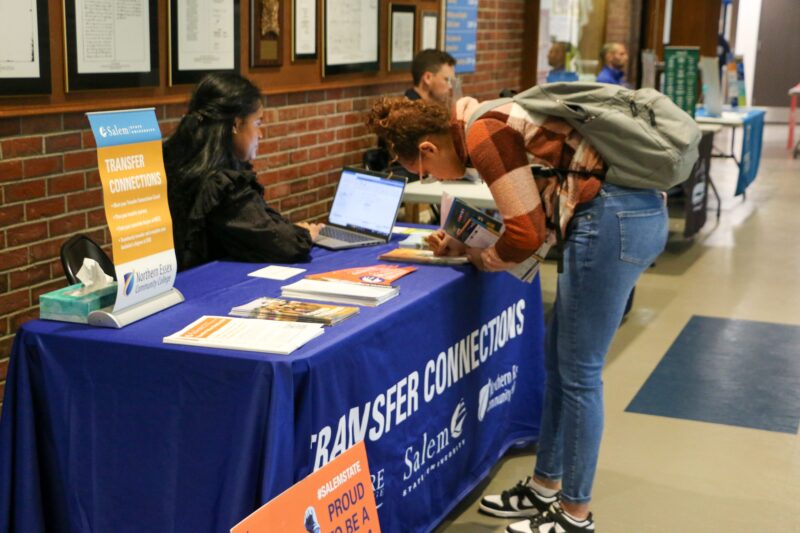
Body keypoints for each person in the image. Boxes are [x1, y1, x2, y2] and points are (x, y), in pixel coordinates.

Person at [366, 96, 667, 532]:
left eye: (425, 172)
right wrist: (469, 244)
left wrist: (478, 257)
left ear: (428, 149)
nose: (432, 180)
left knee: (580, 374)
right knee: (560, 362)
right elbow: (532, 215)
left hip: (613, 221)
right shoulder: (480, 122)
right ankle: (545, 486)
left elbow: (525, 236)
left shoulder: (482, 133)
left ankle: (574, 514)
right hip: (621, 216)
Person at [163, 72, 323, 271]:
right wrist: (307, 234)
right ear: (236, 125)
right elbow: (282, 243)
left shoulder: (176, 162)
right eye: (257, 123)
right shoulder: (221, 184)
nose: (261, 135)